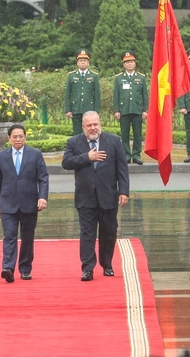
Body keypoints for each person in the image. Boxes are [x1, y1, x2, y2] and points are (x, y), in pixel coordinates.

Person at [61, 111, 130, 281]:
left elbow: (122, 168)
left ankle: (107, 265)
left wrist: (124, 191)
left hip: (108, 195)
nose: (93, 128)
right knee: (87, 233)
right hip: (85, 197)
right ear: (83, 126)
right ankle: (88, 268)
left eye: (95, 124)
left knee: (109, 232)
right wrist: (87, 157)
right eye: (89, 125)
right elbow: (66, 163)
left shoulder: (113, 141)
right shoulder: (74, 142)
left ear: (100, 124)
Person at [0, 124, 49, 283]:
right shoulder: (2, 156)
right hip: (7, 203)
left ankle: (25, 269)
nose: (18, 139)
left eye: (21, 136)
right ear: (9, 138)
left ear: (25, 137)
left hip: (29, 203)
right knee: (9, 236)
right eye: (15, 137)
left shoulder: (35, 154)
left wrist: (43, 197)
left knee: (27, 237)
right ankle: (8, 268)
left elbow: (43, 178)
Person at [113, 51, 148, 164]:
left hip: (137, 110)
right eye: (127, 62)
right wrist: (117, 110)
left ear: (135, 63)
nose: (129, 64)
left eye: (131, 62)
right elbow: (116, 95)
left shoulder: (141, 78)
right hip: (124, 110)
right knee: (125, 134)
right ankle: (127, 155)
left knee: (137, 134)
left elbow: (144, 96)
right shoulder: (119, 78)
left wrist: (145, 110)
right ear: (124, 64)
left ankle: (136, 155)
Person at [64, 49, 101, 136]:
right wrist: (68, 109)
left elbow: (97, 95)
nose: (83, 62)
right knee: (77, 133)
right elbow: (67, 94)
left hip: (89, 108)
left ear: (88, 63)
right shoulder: (71, 76)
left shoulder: (94, 76)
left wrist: (96, 111)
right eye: (81, 61)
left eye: (85, 60)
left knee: (90, 131)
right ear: (77, 63)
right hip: (76, 108)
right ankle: (78, 149)